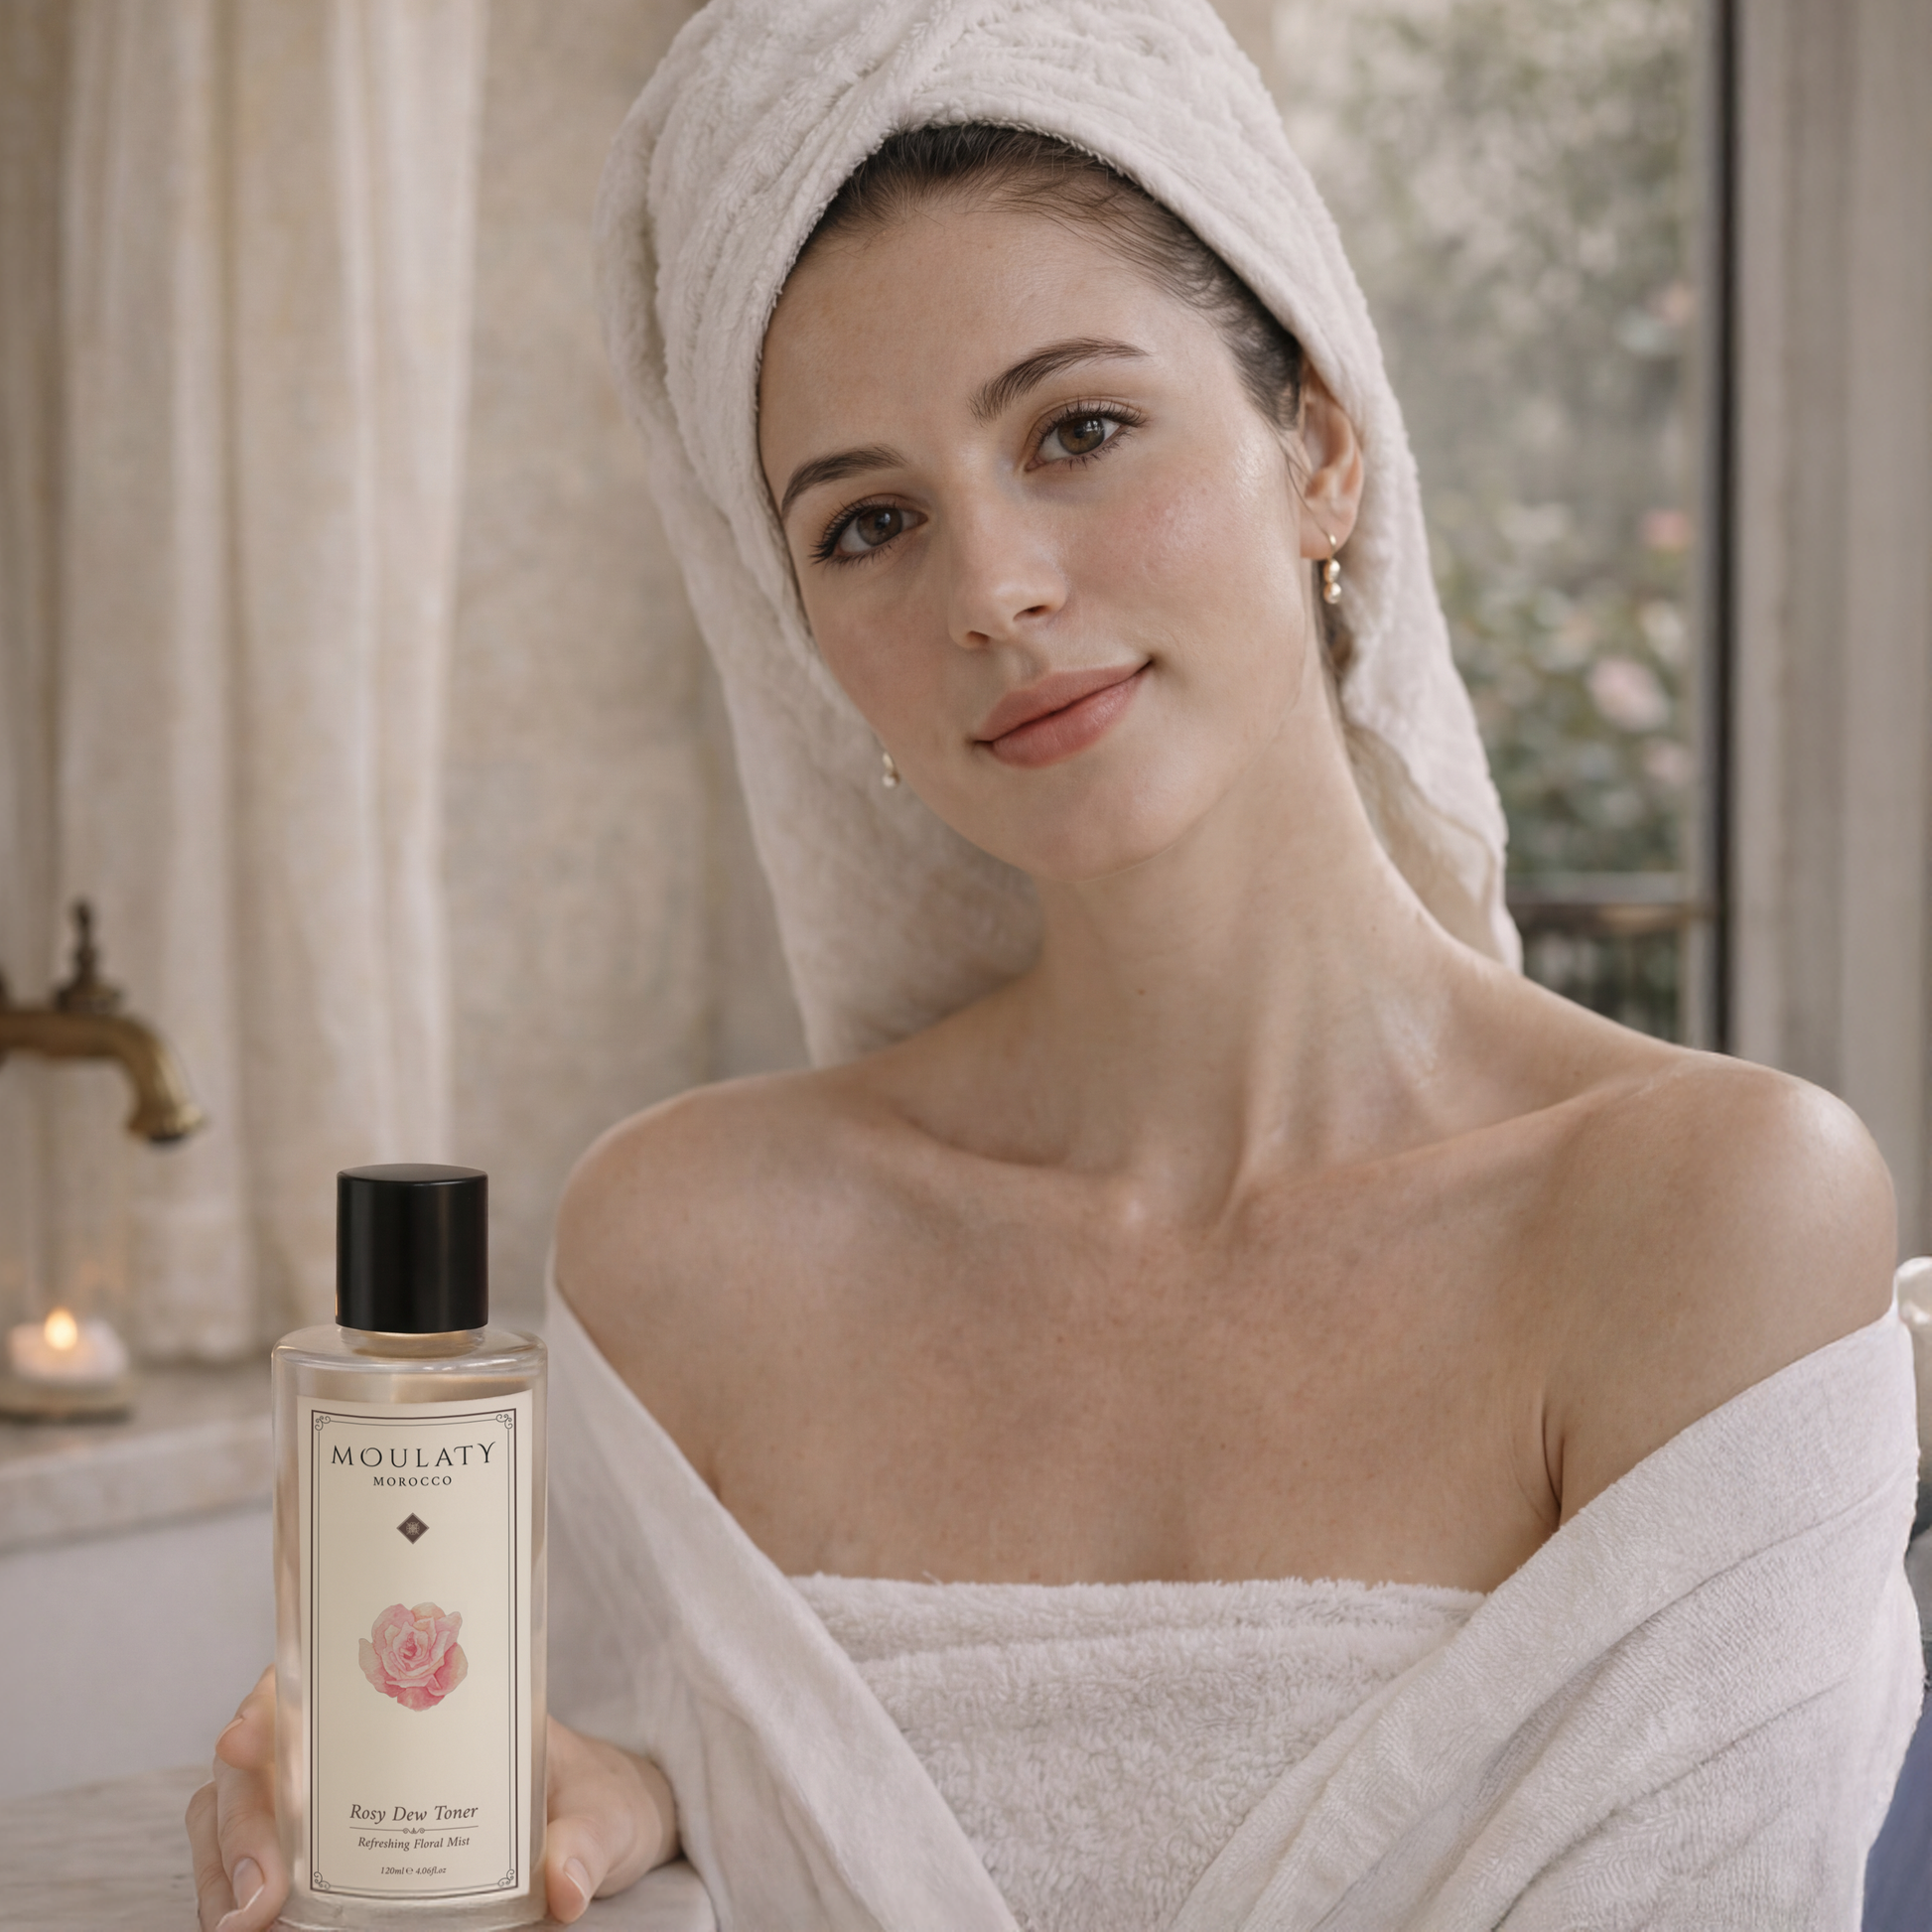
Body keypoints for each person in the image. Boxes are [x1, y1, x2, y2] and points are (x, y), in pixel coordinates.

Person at [190, 3, 1923, 1928]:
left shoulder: (1700, 1214)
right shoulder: (688, 1248)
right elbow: (639, 1802)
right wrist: (584, 1801)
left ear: (1323, 448)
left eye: (1079, 430)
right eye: (867, 525)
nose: (992, 587)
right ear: (805, 640)